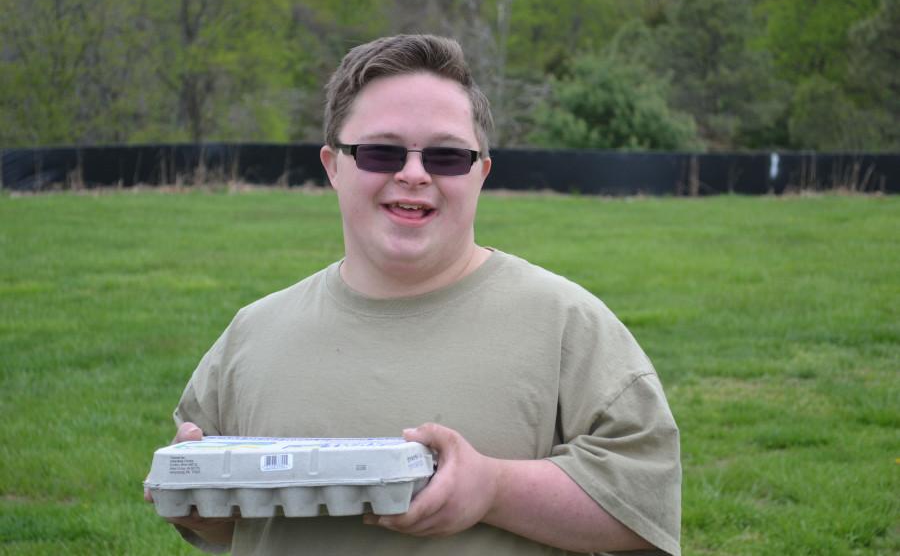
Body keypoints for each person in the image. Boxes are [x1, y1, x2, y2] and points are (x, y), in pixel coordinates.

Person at [145, 34, 681, 555]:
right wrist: (197, 501)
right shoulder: (253, 334)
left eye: (447, 157)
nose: (414, 174)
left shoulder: (566, 323)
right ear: (333, 166)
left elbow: (643, 511)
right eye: (381, 152)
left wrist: (493, 489)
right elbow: (214, 522)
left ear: (481, 173)